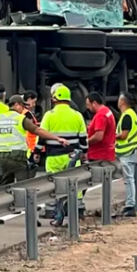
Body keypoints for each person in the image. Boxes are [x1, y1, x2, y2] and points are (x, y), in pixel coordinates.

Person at [0, 95, 68, 185]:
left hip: (2, 156)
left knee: (5, 186)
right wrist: (57, 138)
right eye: (22, 106)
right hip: (18, 155)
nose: (23, 109)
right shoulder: (20, 118)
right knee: (23, 184)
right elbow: (37, 130)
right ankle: (21, 199)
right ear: (17, 105)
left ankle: (6, 199)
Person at [36, 85, 88, 227]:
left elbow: (41, 135)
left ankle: (52, 211)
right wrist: (84, 153)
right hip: (73, 156)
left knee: (53, 184)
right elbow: (83, 138)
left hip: (54, 157)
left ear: (54, 99)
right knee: (74, 184)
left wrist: (36, 152)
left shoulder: (49, 115)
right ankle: (76, 210)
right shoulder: (77, 116)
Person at [115, 92, 137, 217]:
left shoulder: (127, 116)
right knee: (130, 179)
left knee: (129, 179)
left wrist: (113, 136)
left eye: (119, 99)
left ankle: (130, 206)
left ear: (122, 102)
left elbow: (124, 135)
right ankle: (131, 205)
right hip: (131, 151)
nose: (118, 101)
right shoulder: (131, 114)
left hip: (127, 151)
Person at [86, 92, 117, 163]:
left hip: (98, 156)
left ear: (94, 103)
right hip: (107, 154)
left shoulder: (101, 115)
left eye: (88, 104)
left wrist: (86, 142)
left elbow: (98, 137)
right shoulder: (107, 111)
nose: (87, 107)